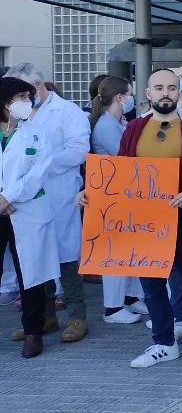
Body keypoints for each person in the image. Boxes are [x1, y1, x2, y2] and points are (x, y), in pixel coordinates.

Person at [110, 69, 182, 373]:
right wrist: (91, 193)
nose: (166, 92)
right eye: (159, 87)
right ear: (148, 93)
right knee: (153, 287)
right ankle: (163, 343)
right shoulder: (133, 129)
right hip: (145, 224)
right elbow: (119, 172)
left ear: (178, 92)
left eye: (172, 87)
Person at [4, 63, 90, 344]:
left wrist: (40, 163)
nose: (23, 97)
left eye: (25, 91)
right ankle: (44, 317)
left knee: (66, 257)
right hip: (23, 203)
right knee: (34, 259)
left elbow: (78, 151)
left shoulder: (69, 111)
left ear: (38, 85)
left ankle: (77, 316)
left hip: (59, 195)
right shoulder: (19, 118)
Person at [0, 77, 56, 358]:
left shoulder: (37, 133)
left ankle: (33, 331)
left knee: (29, 274)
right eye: (20, 96)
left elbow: (37, 173)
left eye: (28, 96)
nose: (26, 102)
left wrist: (7, 197)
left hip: (25, 209)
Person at [88, 75, 145, 325]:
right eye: (129, 94)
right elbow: (128, 156)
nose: (132, 99)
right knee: (116, 252)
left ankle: (131, 297)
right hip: (111, 197)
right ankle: (112, 307)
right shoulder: (105, 126)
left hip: (123, 196)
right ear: (120, 97)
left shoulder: (115, 122)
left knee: (130, 249)